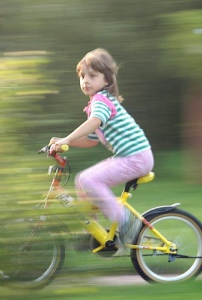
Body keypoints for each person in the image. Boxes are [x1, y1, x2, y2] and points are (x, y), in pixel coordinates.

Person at [49, 48, 154, 250]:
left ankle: (128, 225)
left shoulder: (101, 100)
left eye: (92, 76)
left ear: (106, 81)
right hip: (130, 157)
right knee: (82, 181)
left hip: (136, 157)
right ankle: (94, 233)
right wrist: (64, 142)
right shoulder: (97, 104)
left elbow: (95, 122)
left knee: (89, 180)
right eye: (82, 76)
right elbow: (90, 140)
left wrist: (67, 138)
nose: (85, 80)